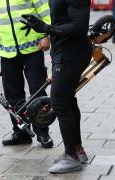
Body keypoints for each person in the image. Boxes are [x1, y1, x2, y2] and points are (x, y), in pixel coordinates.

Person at [21, 0, 93, 173]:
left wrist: (46, 29)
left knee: (59, 102)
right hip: (64, 51)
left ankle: (72, 158)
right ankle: (77, 150)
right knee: (67, 100)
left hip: (72, 53)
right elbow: (62, 20)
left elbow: (79, 27)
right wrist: (41, 27)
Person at [0, 0, 54, 148]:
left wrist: (46, 35)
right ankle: (21, 133)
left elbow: (45, 12)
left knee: (38, 91)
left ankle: (42, 132)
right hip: (7, 52)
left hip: (33, 48)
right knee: (12, 95)